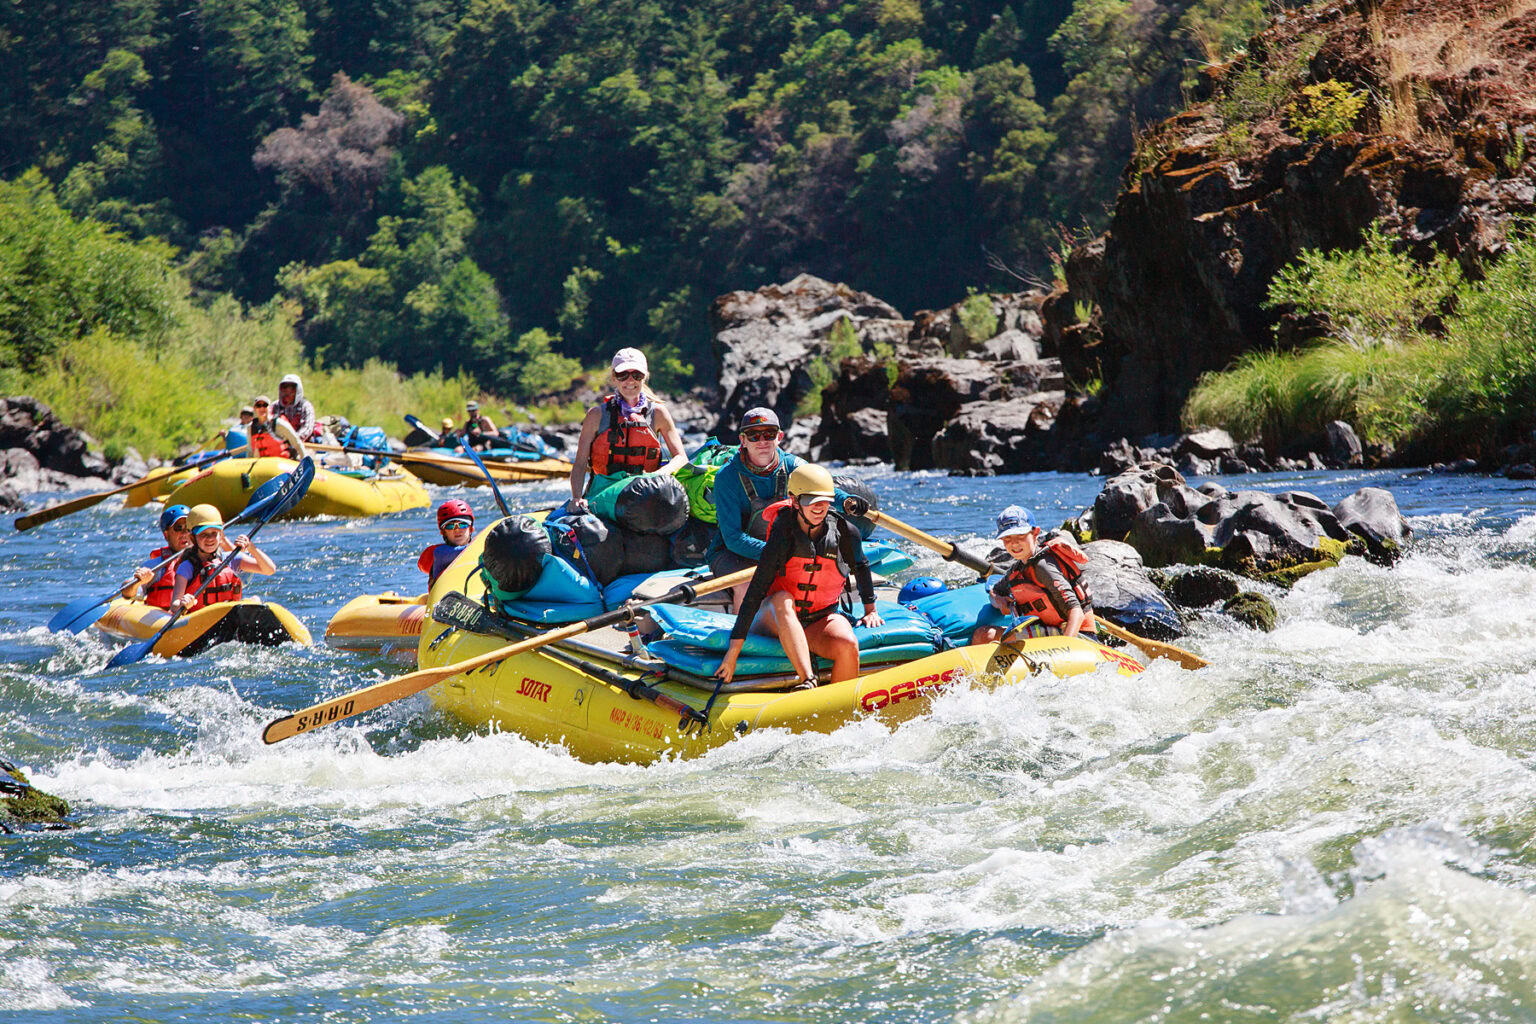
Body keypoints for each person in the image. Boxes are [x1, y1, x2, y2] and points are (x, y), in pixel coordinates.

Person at [713, 464, 883, 689]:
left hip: (819, 619)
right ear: (794, 501)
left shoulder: (846, 533)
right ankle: (808, 680)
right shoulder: (783, 534)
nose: (819, 508)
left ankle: (842, 711)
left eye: (824, 501)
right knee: (784, 599)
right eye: (811, 501)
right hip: (773, 619)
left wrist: (870, 609)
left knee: (847, 643)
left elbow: (861, 566)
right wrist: (732, 653)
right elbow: (755, 592)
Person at [706, 407, 804, 610]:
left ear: (780, 437)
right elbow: (733, 539)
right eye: (753, 435)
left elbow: (826, 490)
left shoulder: (794, 466)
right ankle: (746, 637)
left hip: (781, 550)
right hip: (731, 554)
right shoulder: (727, 477)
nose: (762, 441)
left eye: (769, 434)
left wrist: (848, 502)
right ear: (742, 440)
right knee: (747, 584)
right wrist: (777, 553)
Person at [568, 348, 687, 512]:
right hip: (604, 491)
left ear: (644, 377)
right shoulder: (596, 415)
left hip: (647, 492)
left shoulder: (658, 413)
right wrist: (576, 498)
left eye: (636, 375)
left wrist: (658, 475)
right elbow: (580, 463)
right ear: (614, 378)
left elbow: (681, 457)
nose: (630, 381)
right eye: (623, 375)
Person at [970, 505, 1097, 643]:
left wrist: (1065, 648)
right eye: (1007, 538)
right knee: (986, 633)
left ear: (1035, 532)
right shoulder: (1017, 570)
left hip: (1077, 636)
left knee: (984, 635)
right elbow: (995, 591)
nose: (1014, 544)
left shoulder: (1044, 567)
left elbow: (1076, 613)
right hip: (1050, 629)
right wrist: (1000, 602)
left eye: (1020, 535)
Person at [169, 504, 276, 612]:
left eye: (214, 533)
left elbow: (269, 570)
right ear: (192, 538)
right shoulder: (187, 567)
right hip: (200, 619)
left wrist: (252, 548)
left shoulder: (231, 558)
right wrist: (183, 603)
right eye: (203, 534)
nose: (210, 538)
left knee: (255, 600)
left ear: (221, 534)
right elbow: (174, 604)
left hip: (230, 617)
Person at [121, 504, 194, 608]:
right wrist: (137, 583)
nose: (184, 533)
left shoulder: (207, 558)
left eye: (188, 528)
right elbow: (127, 592)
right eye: (178, 528)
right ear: (166, 535)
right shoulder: (156, 566)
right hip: (166, 617)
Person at [418, 499, 475, 589]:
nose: (457, 530)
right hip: (444, 600)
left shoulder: (477, 549)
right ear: (443, 532)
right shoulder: (440, 553)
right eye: (450, 526)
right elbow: (467, 551)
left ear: (471, 529)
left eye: (463, 525)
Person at [272, 374, 319, 444]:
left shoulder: (306, 406)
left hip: (303, 444)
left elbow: (307, 428)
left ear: (297, 391)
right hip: (279, 444)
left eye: (291, 390)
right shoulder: (275, 406)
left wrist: (293, 440)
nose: (287, 392)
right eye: (284, 388)